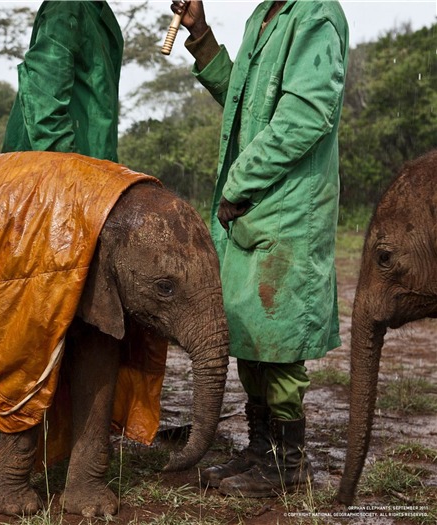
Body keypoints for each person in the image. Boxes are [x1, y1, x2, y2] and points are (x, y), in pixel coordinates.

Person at [171, 0, 348, 497]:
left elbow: (306, 117)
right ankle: (260, 450)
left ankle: (289, 464)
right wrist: (201, 35)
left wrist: (239, 181)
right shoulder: (262, 17)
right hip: (252, 205)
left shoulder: (315, 16)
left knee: (280, 335)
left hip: (289, 206)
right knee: (247, 326)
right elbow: (242, 101)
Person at [2, 0, 123, 161]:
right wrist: (69, 171)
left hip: (95, 165)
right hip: (54, 172)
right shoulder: (67, 6)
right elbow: (44, 104)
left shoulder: (96, 9)